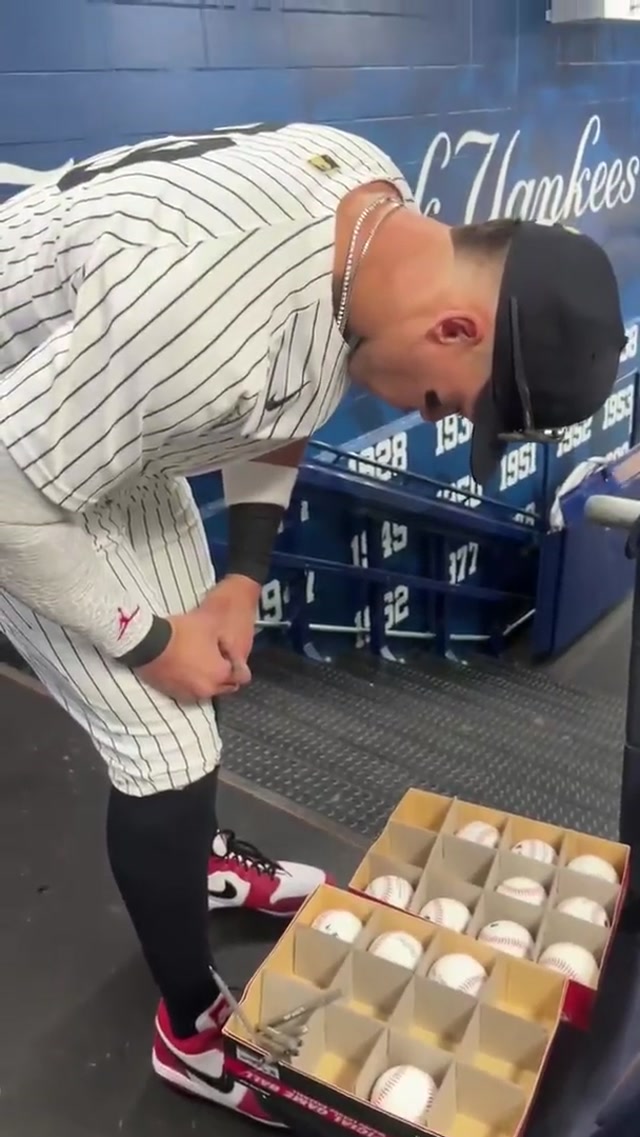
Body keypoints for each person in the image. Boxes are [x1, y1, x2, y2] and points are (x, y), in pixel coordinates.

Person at [0, 121, 626, 1124]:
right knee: (159, 737)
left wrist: (241, 581)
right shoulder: (196, 312)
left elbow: (287, 386)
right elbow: (10, 497)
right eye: (455, 408)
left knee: (194, 697)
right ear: (457, 330)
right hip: (14, 458)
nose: (437, 422)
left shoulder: (368, 220)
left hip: (94, 419)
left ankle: (195, 863)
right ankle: (192, 1033)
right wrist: (149, 642)